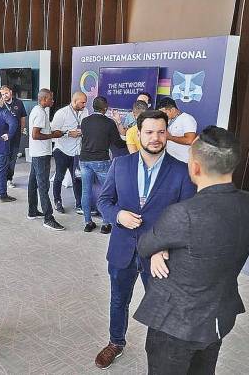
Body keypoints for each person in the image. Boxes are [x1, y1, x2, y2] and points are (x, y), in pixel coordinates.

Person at [133, 126, 249, 375]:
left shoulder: (184, 213)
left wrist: (158, 247)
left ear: (196, 167)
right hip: (219, 315)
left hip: (177, 324)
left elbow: (145, 245)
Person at [94, 110, 196, 370]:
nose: (155, 138)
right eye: (149, 132)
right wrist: (118, 216)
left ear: (167, 134)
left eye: (161, 132)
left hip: (159, 257)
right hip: (122, 249)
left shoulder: (182, 172)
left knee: (161, 304)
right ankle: (116, 342)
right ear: (137, 134)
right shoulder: (120, 165)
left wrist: (164, 248)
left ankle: (159, 350)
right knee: (118, 299)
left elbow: (186, 220)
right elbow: (104, 201)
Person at [79, 96, 126, 233]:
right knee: (106, 192)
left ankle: (88, 223)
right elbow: (117, 142)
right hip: (101, 161)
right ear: (105, 108)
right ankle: (106, 224)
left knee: (86, 192)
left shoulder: (85, 121)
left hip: (85, 161)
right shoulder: (109, 122)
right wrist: (130, 140)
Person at [27, 89, 65, 230]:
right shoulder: (40, 113)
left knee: (33, 183)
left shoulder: (38, 110)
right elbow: (35, 135)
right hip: (41, 154)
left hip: (37, 153)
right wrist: (53, 135)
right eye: (51, 98)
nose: (53, 101)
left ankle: (32, 211)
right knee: (43, 186)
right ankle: (48, 218)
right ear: (43, 99)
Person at [50, 91, 89, 214]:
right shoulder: (62, 113)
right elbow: (52, 132)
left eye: (85, 102)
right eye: (82, 102)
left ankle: (79, 204)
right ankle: (57, 201)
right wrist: (68, 133)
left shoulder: (85, 112)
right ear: (75, 100)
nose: (84, 105)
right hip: (62, 150)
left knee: (77, 178)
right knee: (59, 177)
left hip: (77, 151)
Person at [0, 85, 27, 188]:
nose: (4, 96)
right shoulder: (0, 104)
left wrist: (21, 130)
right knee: (3, 158)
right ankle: (2, 178)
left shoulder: (19, 103)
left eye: (6, 93)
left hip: (16, 136)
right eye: (2, 94)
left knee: (13, 158)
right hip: (3, 137)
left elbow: (23, 118)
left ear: (10, 92)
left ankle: (9, 179)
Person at [157, 97, 197, 163]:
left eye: (164, 113)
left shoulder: (186, 118)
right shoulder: (168, 120)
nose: (163, 116)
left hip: (183, 161)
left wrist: (170, 137)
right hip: (170, 160)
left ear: (172, 110)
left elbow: (190, 140)